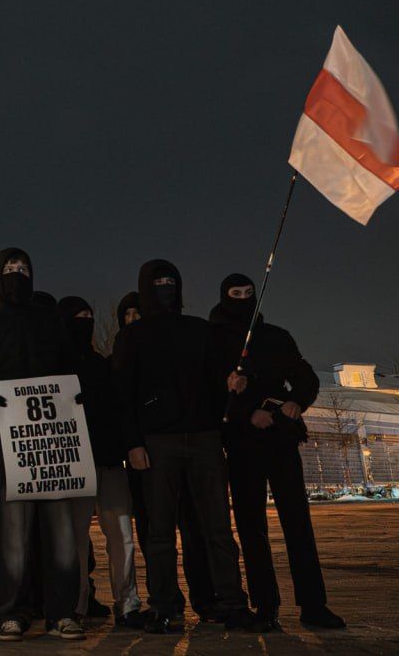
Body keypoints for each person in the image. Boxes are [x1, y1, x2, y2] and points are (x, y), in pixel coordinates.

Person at [112, 259, 254, 635]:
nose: (164, 288)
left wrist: (230, 383)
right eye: (157, 282)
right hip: (158, 442)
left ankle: (233, 602)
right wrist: (133, 444)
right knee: (159, 532)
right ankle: (163, 606)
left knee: (218, 528)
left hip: (204, 437)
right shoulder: (132, 336)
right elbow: (123, 395)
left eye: (170, 281)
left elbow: (215, 375)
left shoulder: (198, 329)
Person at [0, 249, 83, 642]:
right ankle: (11, 610)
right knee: (11, 534)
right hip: (2, 439)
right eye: (10, 270)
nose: (17, 275)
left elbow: (72, 367)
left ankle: (62, 612)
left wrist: (74, 398)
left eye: (24, 269)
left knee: (61, 533)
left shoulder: (50, 322)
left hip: (52, 438)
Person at [211, 273, 345, 631]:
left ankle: (313, 605)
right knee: (251, 527)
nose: (242, 298)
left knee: (298, 523)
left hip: (281, 440)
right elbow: (209, 391)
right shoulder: (213, 339)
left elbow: (305, 377)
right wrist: (245, 412)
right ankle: (265, 606)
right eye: (235, 293)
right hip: (242, 443)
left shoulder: (276, 336)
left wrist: (296, 402)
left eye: (248, 293)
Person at [57, 296, 143, 628]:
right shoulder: (56, 366)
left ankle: (128, 601)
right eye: (79, 317)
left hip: (108, 461)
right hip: (74, 463)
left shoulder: (103, 365)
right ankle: (76, 603)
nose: (86, 322)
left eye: (89, 316)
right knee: (76, 540)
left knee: (121, 534)